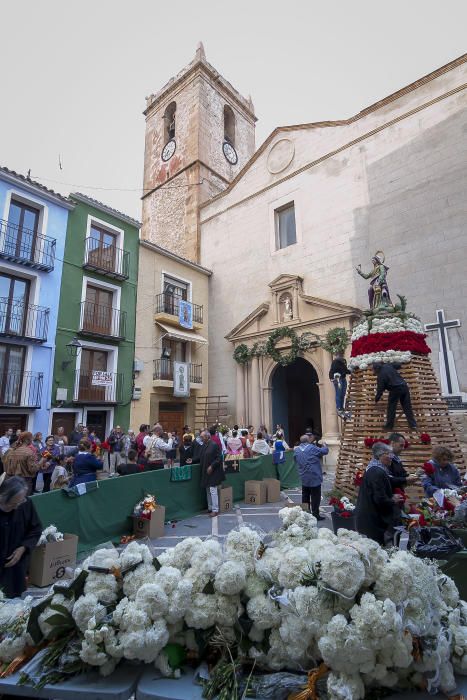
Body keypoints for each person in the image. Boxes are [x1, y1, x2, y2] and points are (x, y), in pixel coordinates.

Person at [0, 475, 42, 598]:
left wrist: (23, 547)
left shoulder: (25, 504)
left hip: (16, 569)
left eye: (20, 501)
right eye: (13, 503)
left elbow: (36, 528)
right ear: (2, 497)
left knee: (14, 600)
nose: (17, 506)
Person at [356, 442, 403, 545]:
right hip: (373, 521)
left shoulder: (377, 469)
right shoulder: (377, 472)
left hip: (370, 519)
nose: (392, 457)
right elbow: (379, 499)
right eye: (389, 454)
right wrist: (393, 500)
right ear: (380, 455)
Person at [373, 362, 417, 431]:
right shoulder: (388, 365)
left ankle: (389, 426)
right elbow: (398, 365)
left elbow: (380, 390)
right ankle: (413, 425)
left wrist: (376, 399)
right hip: (404, 386)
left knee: (391, 408)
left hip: (395, 389)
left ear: (376, 369)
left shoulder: (380, 376)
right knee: (407, 407)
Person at [294, 434, 328, 520]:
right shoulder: (312, 448)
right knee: (315, 496)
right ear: (308, 440)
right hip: (314, 476)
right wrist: (324, 445)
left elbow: (295, 459)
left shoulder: (297, 449)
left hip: (304, 476)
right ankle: (315, 514)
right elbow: (324, 451)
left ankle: (305, 513)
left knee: (305, 495)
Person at [199, 429, 224, 518]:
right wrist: (192, 460)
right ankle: (210, 507)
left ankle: (215, 510)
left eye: (202, 437)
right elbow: (200, 456)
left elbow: (219, 458)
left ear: (207, 437)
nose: (201, 438)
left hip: (214, 471)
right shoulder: (204, 445)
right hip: (206, 471)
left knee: (213, 490)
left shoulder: (214, 445)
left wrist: (212, 466)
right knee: (207, 490)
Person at [329, 352, 351, 418]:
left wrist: (350, 371)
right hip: (337, 379)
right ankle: (339, 408)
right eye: (340, 355)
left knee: (343, 393)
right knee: (339, 393)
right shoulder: (335, 362)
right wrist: (332, 378)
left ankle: (341, 407)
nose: (341, 356)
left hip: (343, 378)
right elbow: (333, 371)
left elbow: (345, 370)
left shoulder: (343, 361)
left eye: (341, 355)